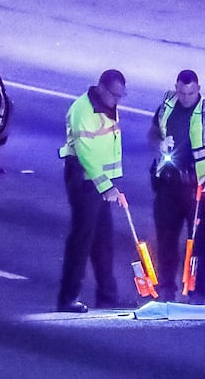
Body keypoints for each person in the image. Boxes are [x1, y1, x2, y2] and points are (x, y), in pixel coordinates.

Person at [148, 69, 205, 305]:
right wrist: (159, 142)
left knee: (198, 241)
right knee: (165, 239)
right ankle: (166, 290)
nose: (186, 97)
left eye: (191, 92)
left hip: (198, 186)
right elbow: (154, 132)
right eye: (182, 92)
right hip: (167, 185)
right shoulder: (167, 106)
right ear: (176, 88)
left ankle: (197, 292)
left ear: (198, 89)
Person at [56, 69, 126, 313]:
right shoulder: (82, 111)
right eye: (114, 95)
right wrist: (106, 186)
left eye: (121, 95)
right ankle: (67, 298)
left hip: (99, 182)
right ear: (101, 88)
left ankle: (108, 296)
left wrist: (111, 183)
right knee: (81, 240)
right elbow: (86, 153)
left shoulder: (105, 106)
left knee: (103, 241)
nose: (117, 100)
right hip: (85, 182)